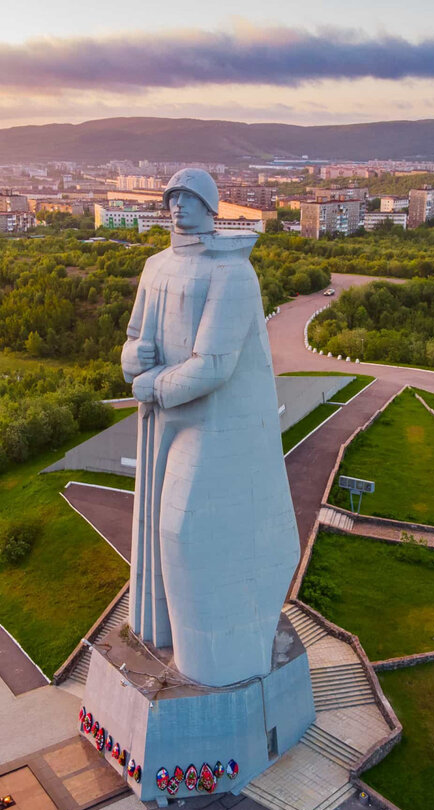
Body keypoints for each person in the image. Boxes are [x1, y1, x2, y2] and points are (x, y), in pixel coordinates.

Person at [121, 169, 299, 687]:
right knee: (156, 524)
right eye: (173, 198)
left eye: (190, 198)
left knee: (186, 529)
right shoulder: (156, 267)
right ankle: (167, 635)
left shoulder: (233, 274)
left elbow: (214, 365)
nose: (179, 207)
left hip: (213, 421)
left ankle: (216, 661)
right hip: (161, 420)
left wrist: (152, 385)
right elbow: (133, 338)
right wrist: (135, 358)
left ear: (210, 205)